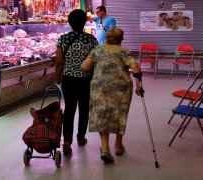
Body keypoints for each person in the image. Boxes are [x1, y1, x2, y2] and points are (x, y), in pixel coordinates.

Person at [81, 27, 142, 163]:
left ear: (107, 37)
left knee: (102, 115)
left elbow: (84, 67)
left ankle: (105, 148)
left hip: (100, 88)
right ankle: (119, 145)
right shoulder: (124, 51)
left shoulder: (97, 49)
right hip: (121, 88)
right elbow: (136, 68)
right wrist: (139, 86)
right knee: (120, 114)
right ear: (121, 39)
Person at [55, 9, 98, 155]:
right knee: (84, 108)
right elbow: (96, 62)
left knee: (69, 109)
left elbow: (59, 62)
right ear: (84, 22)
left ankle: (67, 141)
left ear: (70, 23)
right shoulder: (91, 40)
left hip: (68, 79)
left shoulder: (63, 39)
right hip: (86, 79)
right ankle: (81, 138)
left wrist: (56, 79)